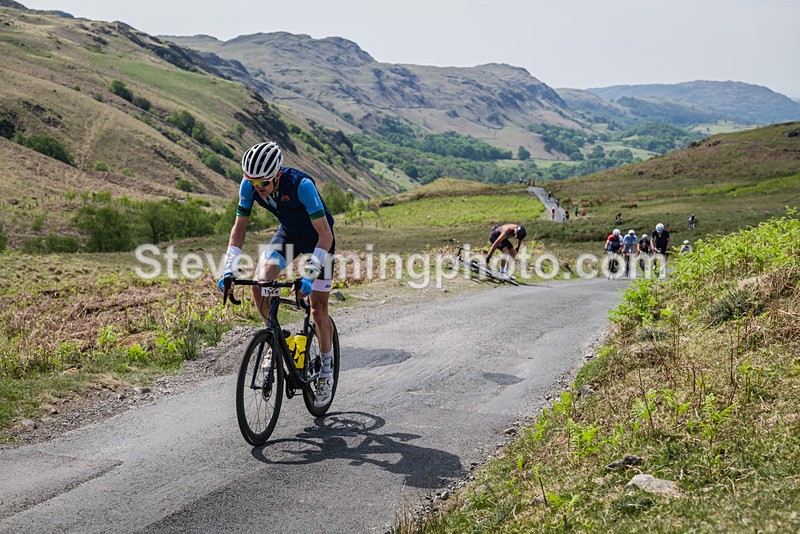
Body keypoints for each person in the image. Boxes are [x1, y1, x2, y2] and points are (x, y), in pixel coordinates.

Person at [218, 141, 336, 407]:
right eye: (253, 183)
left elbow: (325, 234)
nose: (257, 189)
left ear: (277, 175)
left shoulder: (301, 185)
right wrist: (229, 269)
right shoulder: (249, 185)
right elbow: (239, 230)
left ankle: (326, 369)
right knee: (259, 284)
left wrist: (308, 274)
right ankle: (276, 339)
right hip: (288, 236)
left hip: (319, 241)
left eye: (263, 184)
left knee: (318, 309)